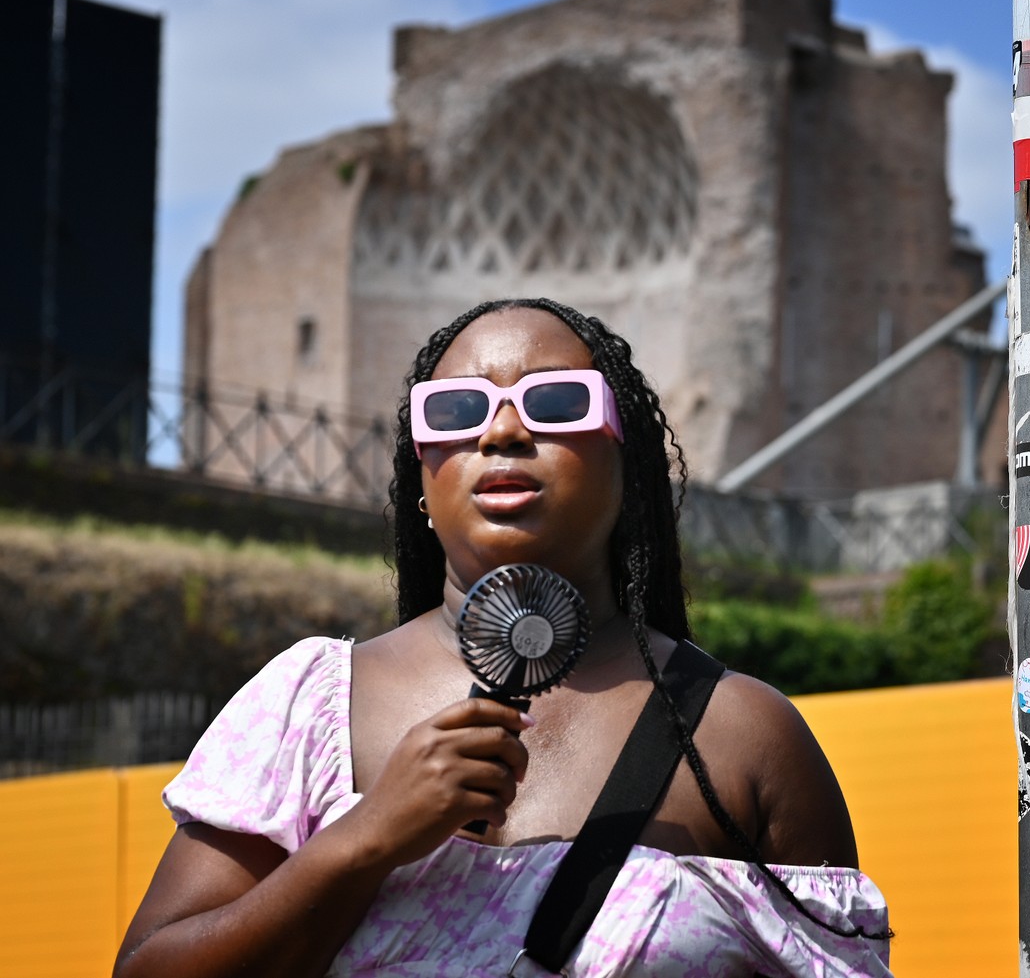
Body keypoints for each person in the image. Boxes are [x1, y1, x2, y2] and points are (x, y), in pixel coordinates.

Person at [115, 298, 891, 977]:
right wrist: (364, 839)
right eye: (455, 411)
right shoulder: (313, 703)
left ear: (627, 465)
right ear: (421, 476)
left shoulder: (745, 738)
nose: (504, 432)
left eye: (556, 402)